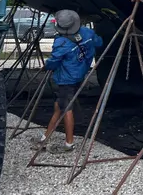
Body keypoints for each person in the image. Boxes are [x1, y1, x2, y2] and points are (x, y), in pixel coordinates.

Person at [31, 9, 102, 152]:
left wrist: (46, 66)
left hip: (66, 79)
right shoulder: (87, 33)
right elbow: (99, 42)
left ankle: (69, 143)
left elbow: (54, 61)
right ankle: (45, 137)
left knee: (66, 109)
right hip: (80, 74)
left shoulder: (62, 42)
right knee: (59, 106)